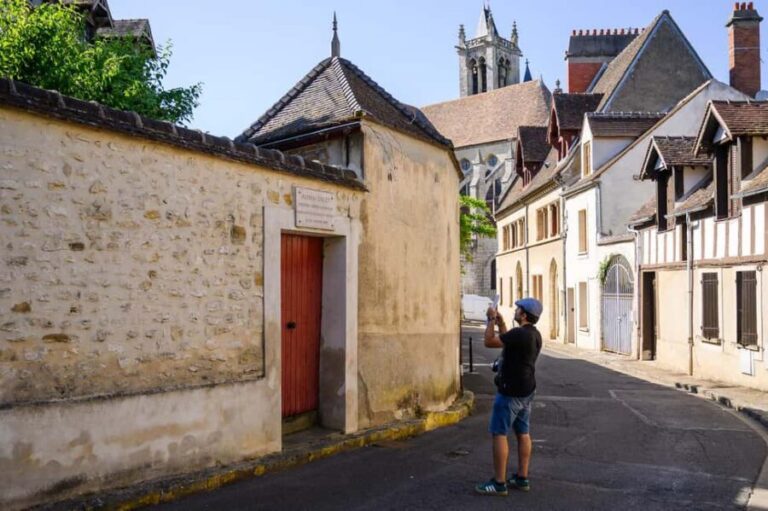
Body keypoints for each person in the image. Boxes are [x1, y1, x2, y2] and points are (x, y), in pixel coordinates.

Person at [475, 297, 543, 496]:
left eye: (518, 308)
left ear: (523, 314)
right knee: (523, 433)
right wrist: (502, 323)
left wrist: (489, 320)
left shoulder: (520, 334)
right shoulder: (533, 334)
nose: (515, 310)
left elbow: (489, 342)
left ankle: (499, 482)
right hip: (527, 390)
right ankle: (522, 478)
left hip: (511, 391)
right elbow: (508, 342)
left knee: (499, 433)